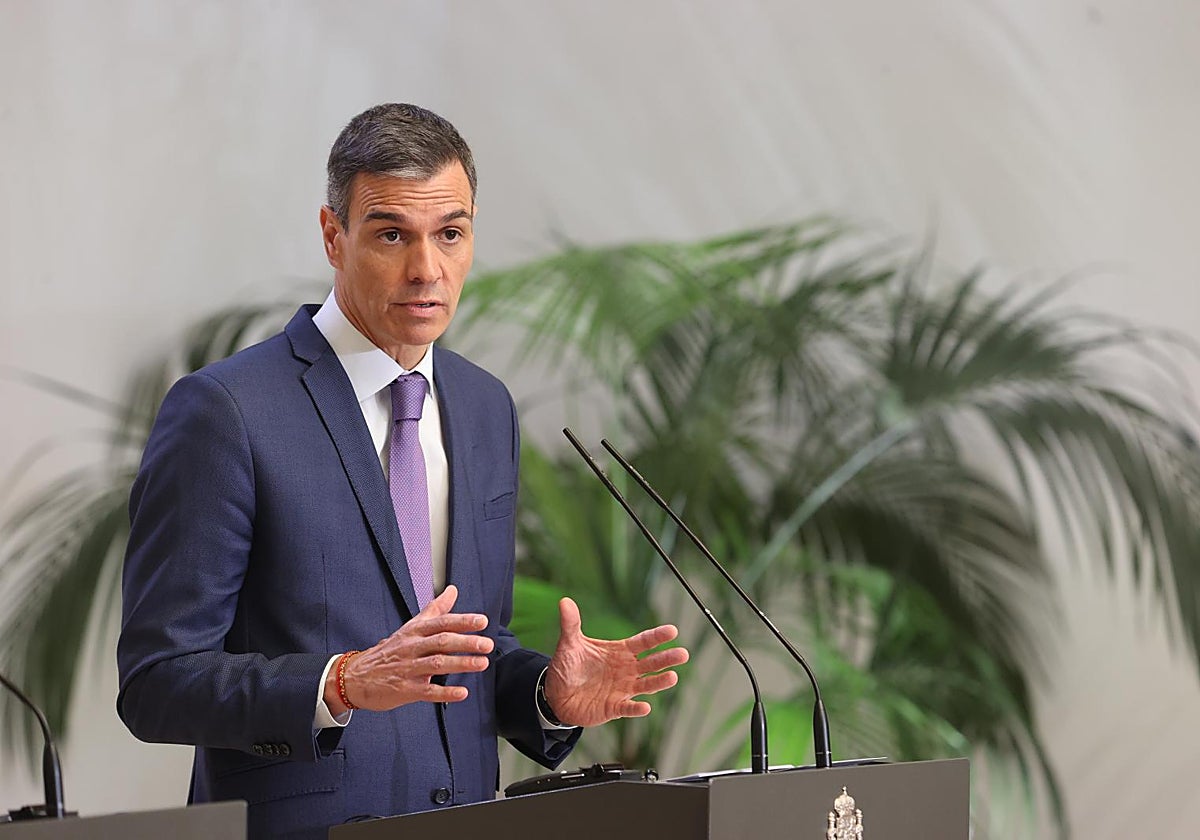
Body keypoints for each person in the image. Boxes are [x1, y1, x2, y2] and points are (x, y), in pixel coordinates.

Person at [116, 103, 688, 840]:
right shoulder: (227, 412)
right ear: (334, 235)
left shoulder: (485, 407)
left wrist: (547, 691)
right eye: (392, 234)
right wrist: (340, 682)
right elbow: (157, 682)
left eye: (450, 233)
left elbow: (472, 648)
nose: (427, 269)